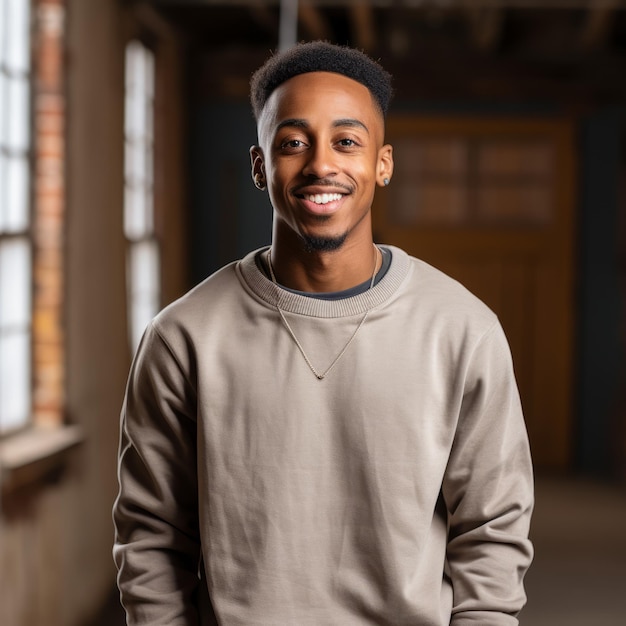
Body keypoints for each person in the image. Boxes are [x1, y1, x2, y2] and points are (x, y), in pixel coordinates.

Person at [113, 41, 534, 625]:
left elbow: (493, 527)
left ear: (382, 163)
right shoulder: (182, 337)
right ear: (261, 166)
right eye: (292, 143)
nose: (320, 165)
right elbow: (153, 536)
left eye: (346, 141)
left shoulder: (462, 329)